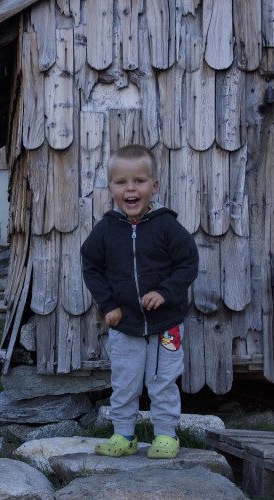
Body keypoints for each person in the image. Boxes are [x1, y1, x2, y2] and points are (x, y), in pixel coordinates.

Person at [81, 144, 199, 459]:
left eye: (139, 181)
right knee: (125, 383)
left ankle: (165, 436)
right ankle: (124, 436)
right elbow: (91, 266)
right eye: (121, 182)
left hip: (166, 325)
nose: (130, 188)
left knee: (163, 382)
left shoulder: (166, 225)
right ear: (111, 188)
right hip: (124, 324)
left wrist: (165, 292)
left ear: (154, 186)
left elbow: (188, 263)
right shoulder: (106, 229)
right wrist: (108, 305)